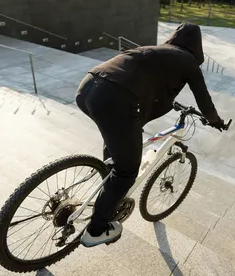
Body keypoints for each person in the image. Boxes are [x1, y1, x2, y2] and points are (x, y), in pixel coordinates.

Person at [75, 23, 225, 247]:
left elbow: (148, 82)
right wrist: (216, 121)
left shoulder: (155, 51)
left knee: (118, 137)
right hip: (116, 98)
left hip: (88, 86)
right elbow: (203, 99)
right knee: (127, 172)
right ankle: (96, 231)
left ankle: (110, 184)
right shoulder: (189, 62)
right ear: (197, 46)